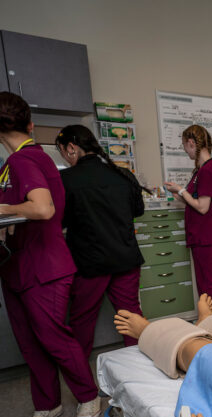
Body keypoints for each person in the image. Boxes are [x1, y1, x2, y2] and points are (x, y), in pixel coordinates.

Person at [0, 92, 101, 417]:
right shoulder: (16, 162)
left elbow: (43, 208)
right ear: (28, 122)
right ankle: (48, 405)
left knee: (54, 338)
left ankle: (88, 395)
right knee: (30, 343)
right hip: (18, 266)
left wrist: (5, 209)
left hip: (43, 267)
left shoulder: (23, 160)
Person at [55, 124, 147, 354]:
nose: (65, 159)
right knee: (132, 319)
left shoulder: (65, 179)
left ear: (72, 148)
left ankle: (84, 384)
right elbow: (137, 211)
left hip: (90, 264)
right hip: (125, 259)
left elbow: (60, 221)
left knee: (82, 322)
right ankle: (142, 374)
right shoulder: (123, 174)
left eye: (63, 153)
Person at [163, 124, 212, 313]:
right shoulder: (201, 171)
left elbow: (203, 207)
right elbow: (196, 202)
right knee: (206, 288)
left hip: (206, 238)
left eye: (185, 146)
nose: (186, 152)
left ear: (191, 143)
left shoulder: (208, 171)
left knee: (210, 289)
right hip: (201, 238)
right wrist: (180, 195)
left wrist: (181, 190)